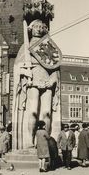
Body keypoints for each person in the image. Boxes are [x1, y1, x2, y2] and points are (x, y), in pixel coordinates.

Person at [12, 19, 61, 150]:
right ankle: (30, 140)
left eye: (41, 27)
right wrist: (24, 71)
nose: (39, 29)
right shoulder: (25, 47)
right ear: (31, 29)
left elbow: (55, 67)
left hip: (47, 81)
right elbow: (17, 67)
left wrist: (53, 78)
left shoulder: (48, 45)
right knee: (33, 111)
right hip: (32, 81)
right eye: (36, 27)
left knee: (46, 113)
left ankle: (47, 140)